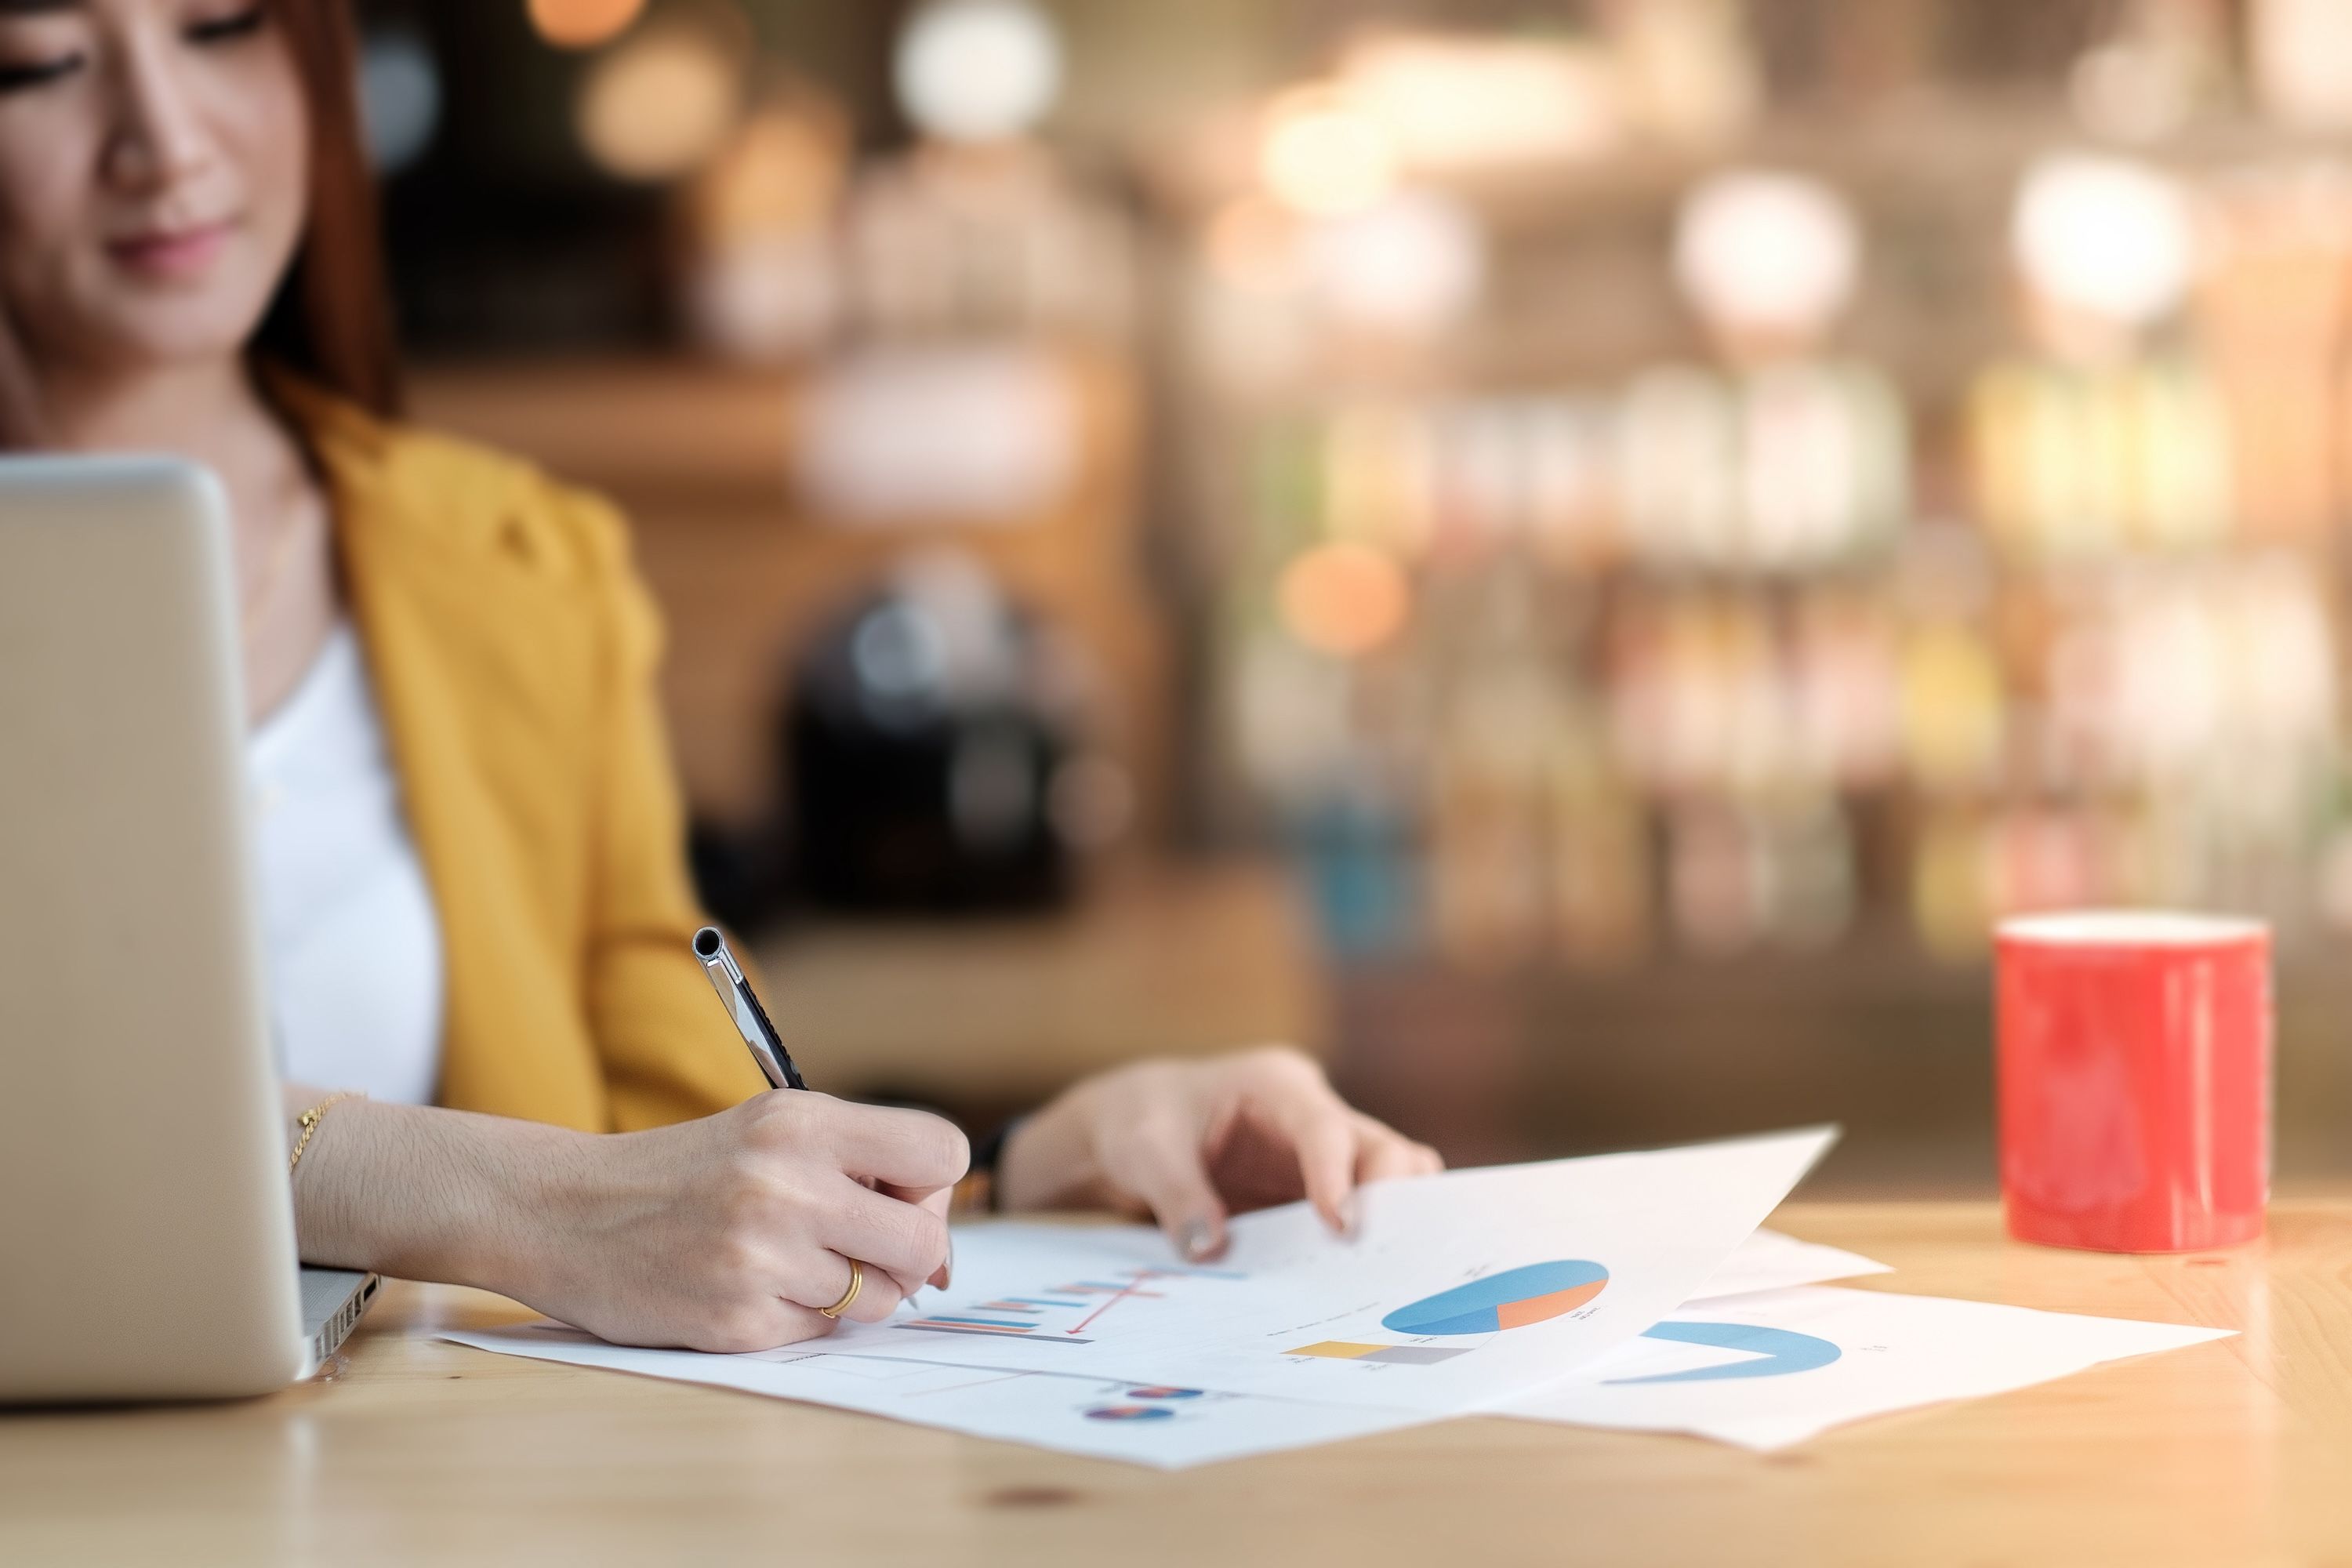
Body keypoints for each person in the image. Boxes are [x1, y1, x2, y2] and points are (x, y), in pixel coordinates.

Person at [0, 0, 1440, 1352]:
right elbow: (573, 1209)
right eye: (43, 61)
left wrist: (1028, 1178)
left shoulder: (518, 569)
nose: (168, 141)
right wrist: (458, 1190)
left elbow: (675, 1178)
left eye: (220, 27)